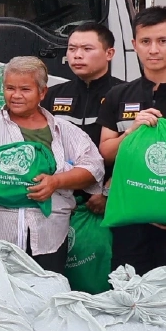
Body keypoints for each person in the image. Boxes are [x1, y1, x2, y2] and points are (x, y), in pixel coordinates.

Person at [0, 57, 105, 273]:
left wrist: (56, 182)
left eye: (25, 89)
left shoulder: (63, 130)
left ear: (42, 92)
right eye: (10, 88)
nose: (16, 95)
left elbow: (94, 167)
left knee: (43, 291)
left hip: (48, 234)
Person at [99, 6, 166, 276]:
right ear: (134, 45)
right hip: (131, 223)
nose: (153, 50)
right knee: (129, 294)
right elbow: (106, 153)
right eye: (145, 41)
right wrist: (130, 133)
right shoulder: (118, 95)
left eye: (163, 41)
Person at [53, 22, 123, 216]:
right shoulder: (53, 94)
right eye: (72, 49)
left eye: (87, 49)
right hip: (59, 199)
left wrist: (108, 191)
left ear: (109, 53)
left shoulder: (126, 95)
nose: (77, 55)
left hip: (111, 201)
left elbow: (134, 153)